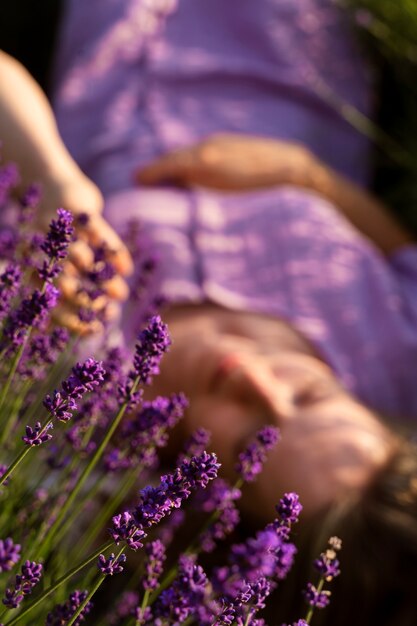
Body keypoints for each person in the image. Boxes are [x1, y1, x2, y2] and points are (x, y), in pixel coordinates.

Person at [1, 1, 417, 623]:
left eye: (252, 437)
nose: (255, 377)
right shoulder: (396, 359)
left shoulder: (78, 376)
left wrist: (50, 182)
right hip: (285, 40)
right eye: (307, 394)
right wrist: (305, 177)